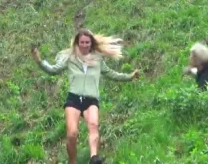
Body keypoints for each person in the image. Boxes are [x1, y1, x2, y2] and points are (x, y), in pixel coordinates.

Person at [31, 29, 140, 164]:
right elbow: (53, 70)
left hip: (91, 100)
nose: (84, 45)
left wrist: (130, 76)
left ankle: (94, 158)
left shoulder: (98, 59)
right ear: (77, 42)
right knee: (72, 134)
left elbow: (112, 74)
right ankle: (72, 161)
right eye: (82, 42)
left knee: (93, 125)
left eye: (87, 42)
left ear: (91, 43)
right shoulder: (70, 58)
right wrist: (39, 61)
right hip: (74, 99)